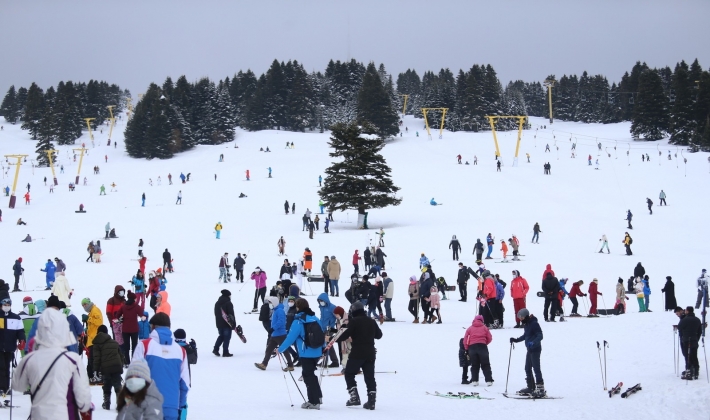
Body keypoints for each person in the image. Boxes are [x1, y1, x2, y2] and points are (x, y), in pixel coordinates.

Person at [12, 309, 92, 420]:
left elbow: (17, 385)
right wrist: (85, 410)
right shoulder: (72, 360)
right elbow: (82, 396)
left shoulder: (30, 359)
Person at [133, 313, 190, 420]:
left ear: (153, 326)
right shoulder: (180, 351)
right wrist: (180, 407)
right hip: (172, 408)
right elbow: (184, 384)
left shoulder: (144, 346)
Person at [277, 298, 323, 410]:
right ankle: (318, 397)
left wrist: (280, 349)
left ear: (298, 307)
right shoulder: (315, 318)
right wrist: (323, 349)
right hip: (316, 351)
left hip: (306, 352)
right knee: (311, 375)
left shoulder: (298, 321)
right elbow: (322, 334)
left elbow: (290, 337)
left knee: (308, 376)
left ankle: (314, 401)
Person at [338, 301, 382, 410]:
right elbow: (379, 335)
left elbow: (344, 335)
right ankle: (371, 401)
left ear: (353, 311)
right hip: (370, 353)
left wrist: (333, 338)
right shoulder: (371, 321)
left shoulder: (354, 321)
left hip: (357, 353)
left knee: (349, 373)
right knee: (369, 377)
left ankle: (354, 397)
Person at [510, 308, 545, 397]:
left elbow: (540, 335)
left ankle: (541, 389)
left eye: (521, 317)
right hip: (529, 349)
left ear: (525, 316)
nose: (520, 319)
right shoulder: (527, 324)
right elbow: (526, 335)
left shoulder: (534, 324)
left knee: (536, 368)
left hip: (535, 349)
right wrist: (516, 340)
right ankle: (531, 387)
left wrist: (533, 342)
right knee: (527, 368)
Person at [93, 324, 124, 410]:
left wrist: (95, 370)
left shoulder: (97, 343)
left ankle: (107, 404)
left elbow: (97, 358)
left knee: (107, 385)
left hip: (106, 368)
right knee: (117, 385)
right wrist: (120, 366)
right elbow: (121, 355)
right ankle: (120, 404)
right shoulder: (114, 342)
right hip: (116, 366)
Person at [255, 296, 287, 370]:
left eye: (270, 303)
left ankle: (290, 365)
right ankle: (264, 364)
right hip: (275, 334)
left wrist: (273, 328)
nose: (269, 304)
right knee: (269, 349)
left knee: (284, 350)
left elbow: (281, 321)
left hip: (280, 334)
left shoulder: (279, 310)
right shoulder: (275, 310)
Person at [1, 297, 25, 393]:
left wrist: (22, 339)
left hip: (10, 347)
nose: (6, 307)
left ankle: (6, 388)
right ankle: (1, 387)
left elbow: (20, 331)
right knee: (1, 367)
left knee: (7, 367)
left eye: (8, 305)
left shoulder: (16, 318)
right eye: (4, 305)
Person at [463, 315, 493, 386]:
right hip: (482, 347)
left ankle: (475, 380)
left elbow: (465, 340)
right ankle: (489, 380)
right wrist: (485, 343)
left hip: (472, 348)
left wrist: (467, 349)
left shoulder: (470, 329)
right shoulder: (485, 328)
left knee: (474, 365)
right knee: (486, 364)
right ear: (482, 320)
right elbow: (490, 338)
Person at [116, 291, 142, 364]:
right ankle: (134, 361)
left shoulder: (123, 306)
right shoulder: (136, 306)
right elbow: (141, 314)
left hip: (125, 329)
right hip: (134, 329)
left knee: (126, 347)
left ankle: (127, 362)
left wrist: (121, 318)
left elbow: (117, 315)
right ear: (134, 299)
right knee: (134, 346)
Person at [678, 307, 703, 380]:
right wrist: (696, 338)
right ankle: (696, 371)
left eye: (685, 310)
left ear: (687, 311)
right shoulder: (697, 320)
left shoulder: (684, 320)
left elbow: (680, 327)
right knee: (694, 355)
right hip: (694, 340)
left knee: (687, 355)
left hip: (686, 340)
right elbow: (700, 331)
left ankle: (689, 371)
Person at [317, 293, 339, 367]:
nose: (321, 302)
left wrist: (337, 325)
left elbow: (338, 316)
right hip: (323, 328)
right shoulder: (321, 307)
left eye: (322, 300)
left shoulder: (332, 307)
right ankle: (334, 361)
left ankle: (325, 361)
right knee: (329, 345)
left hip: (330, 328)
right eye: (319, 301)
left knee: (326, 345)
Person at [213, 290, 234, 357]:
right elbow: (231, 314)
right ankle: (225, 352)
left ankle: (215, 349)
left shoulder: (217, 303)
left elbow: (216, 313)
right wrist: (233, 324)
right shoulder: (228, 303)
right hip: (227, 324)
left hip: (219, 323)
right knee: (227, 337)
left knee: (221, 336)